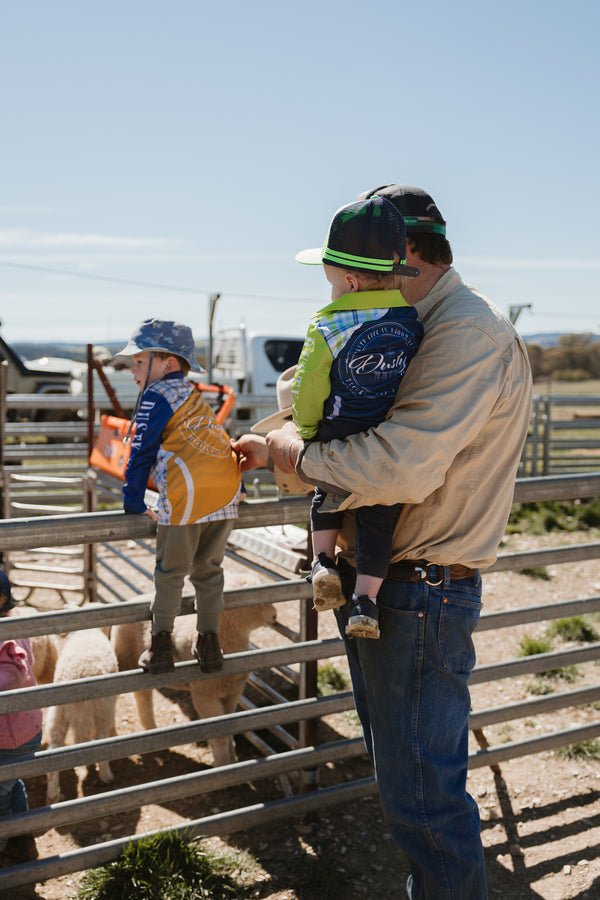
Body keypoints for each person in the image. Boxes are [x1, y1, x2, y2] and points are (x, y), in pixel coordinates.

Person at [233, 184, 532, 899]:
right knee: (407, 783)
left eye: (355, 271)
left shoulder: (464, 332)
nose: (343, 284)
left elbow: (399, 464)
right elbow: (310, 399)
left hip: (419, 589)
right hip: (391, 583)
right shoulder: (404, 321)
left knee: (424, 799)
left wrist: (289, 457)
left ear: (406, 259)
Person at [292, 196, 423, 638]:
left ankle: (323, 563)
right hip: (384, 433)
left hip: (338, 428)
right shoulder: (412, 323)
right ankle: (365, 601)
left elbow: (307, 388)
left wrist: (308, 431)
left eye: (330, 283)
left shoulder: (327, 328)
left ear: (347, 281)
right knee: (380, 515)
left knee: (324, 493)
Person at [118, 318, 241, 675]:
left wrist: (133, 502)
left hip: (187, 498)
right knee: (209, 571)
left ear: (168, 363)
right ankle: (209, 643)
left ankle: (160, 648)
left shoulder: (155, 396)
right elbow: (214, 442)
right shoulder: (192, 394)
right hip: (226, 494)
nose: (132, 369)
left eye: (139, 361)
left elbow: (140, 451)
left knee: (170, 573)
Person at [0, 569, 42, 868]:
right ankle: (23, 841)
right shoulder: (17, 622)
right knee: (11, 785)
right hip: (22, 730)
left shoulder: (8, 633)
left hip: (11, 736)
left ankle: (3, 846)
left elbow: (14, 673)